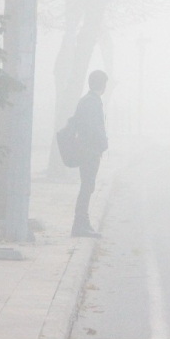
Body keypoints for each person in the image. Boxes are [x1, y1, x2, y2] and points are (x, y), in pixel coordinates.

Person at [71, 70, 109, 238]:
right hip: (90, 151)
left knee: (87, 186)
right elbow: (94, 128)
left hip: (85, 149)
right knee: (87, 186)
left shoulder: (86, 101)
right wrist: (103, 143)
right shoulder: (93, 103)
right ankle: (79, 225)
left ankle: (83, 222)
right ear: (102, 85)